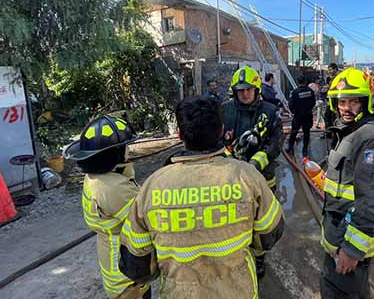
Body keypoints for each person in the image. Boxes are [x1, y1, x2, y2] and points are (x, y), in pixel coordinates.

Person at [118, 97, 284, 298]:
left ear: (180, 133)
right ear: (221, 130)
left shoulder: (152, 186)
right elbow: (269, 235)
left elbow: (137, 266)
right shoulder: (246, 177)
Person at [320, 67, 374, 299]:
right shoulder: (350, 131)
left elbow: (372, 199)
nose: (346, 108)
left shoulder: (369, 137)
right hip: (338, 234)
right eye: (342, 102)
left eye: (353, 101)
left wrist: (352, 250)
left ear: (366, 102)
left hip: (348, 240)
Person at [63, 115, 150, 299]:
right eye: (125, 146)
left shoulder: (97, 178)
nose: (129, 149)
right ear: (114, 153)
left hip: (116, 265)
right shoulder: (113, 188)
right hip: (127, 275)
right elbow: (147, 219)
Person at [222, 65, 283, 278]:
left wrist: (256, 163)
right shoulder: (225, 110)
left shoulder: (270, 111)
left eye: (248, 89)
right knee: (235, 218)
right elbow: (220, 141)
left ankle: (258, 257)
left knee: (260, 221)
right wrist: (229, 160)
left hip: (263, 177)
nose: (245, 94)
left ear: (256, 90)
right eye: (241, 90)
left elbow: (275, 144)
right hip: (231, 178)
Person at [286, 74, 316, 157]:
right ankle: (305, 150)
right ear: (305, 82)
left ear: (298, 82)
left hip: (298, 116)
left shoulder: (295, 92)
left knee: (294, 132)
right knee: (307, 133)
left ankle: (290, 148)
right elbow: (313, 103)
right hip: (308, 115)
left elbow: (291, 105)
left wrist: (293, 111)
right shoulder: (310, 91)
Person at [321, 63, 339, 143]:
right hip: (329, 100)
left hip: (336, 101)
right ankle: (328, 133)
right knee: (326, 117)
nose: (330, 71)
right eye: (329, 69)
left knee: (334, 118)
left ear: (335, 70)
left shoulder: (338, 78)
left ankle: (335, 135)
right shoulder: (328, 78)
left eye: (331, 69)